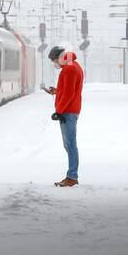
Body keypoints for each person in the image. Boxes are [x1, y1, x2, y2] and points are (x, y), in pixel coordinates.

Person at [43, 45, 83, 187]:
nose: (55, 64)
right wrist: (56, 91)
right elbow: (68, 89)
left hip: (68, 111)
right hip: (72, 109)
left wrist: (59, 111)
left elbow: (68, 94)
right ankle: (71, 176)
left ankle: (72, 177)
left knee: (70, 145)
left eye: (54, 61)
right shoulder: (74, 65)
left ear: (59, 58)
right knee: (70, 144)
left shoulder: (68, 70)